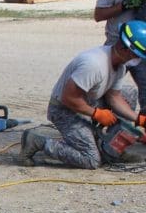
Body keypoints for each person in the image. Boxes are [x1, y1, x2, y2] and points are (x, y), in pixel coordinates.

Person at [21, 20, 146, 168]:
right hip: (64, 109)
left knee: (128, 93)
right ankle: (38, 142)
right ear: (126, 49)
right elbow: (68, 97)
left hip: (87, 102)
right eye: (136, 55)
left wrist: (139, 119)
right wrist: (96, 114)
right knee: (91, 160)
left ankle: (111, 151)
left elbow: (114, 98)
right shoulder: (93, 64)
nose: (136, 60)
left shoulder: (119, 66)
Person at [95, 0, 146, 111]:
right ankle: (98, 122)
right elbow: (98, 15)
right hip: (117, 45)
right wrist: (124, 5)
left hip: (141, 46)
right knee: (104, 89)